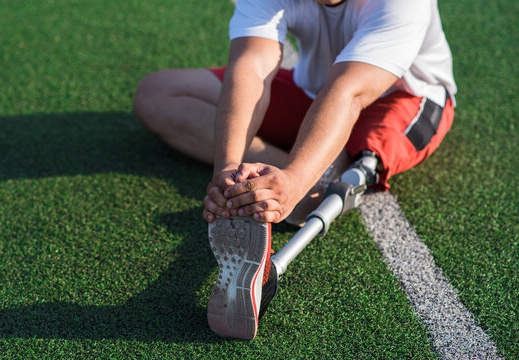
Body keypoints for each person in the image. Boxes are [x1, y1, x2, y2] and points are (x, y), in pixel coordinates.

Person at [133, 0, 456, 340]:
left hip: (404, 96)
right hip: (314, 91)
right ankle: (296, 177)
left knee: (363, 157)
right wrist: (227, 170)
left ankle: (309, 178)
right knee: (158, 93)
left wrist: (295, 181)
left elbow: (349, 90)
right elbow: (251, 68)